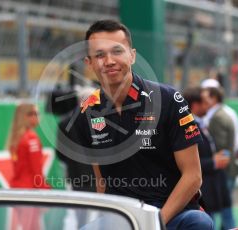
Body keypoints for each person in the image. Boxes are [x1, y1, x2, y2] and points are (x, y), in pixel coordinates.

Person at [61, 20, 213, 229]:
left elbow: (193, 176)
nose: (109, 61)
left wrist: (154, 223)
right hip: (122, 218)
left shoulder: (168, 99)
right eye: (99, 55)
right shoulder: (87, 111)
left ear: (132, 55)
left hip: (172, 214)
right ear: (89, 63)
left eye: (117, 51)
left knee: (199, 222)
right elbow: (102, 183)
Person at [183, 87, 232, 227]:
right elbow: (186, 163)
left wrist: (214, 158)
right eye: (205, 101)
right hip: (200, 191)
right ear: (195, 105)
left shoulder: (200, 123)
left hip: (209, 186)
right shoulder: (188, 126)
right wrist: (213, 162)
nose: (209, 103)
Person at [7, 103, 50, 230]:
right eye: (34, 114)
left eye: (37, 113)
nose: (37, 117)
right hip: (30, 192)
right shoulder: (31, 138)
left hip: (18, 190)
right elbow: (36, 171)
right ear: (25, 117)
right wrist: (45, 193)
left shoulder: (16, 137)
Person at [201, 86, 238, 229]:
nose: (203, 102)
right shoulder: (223, 113)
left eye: (206, 98)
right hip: (223, 169)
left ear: (214, 98)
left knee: (223, 210)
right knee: (224, 210)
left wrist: (214, 159)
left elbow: (221, 147)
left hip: (222, 170)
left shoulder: (217, 117)